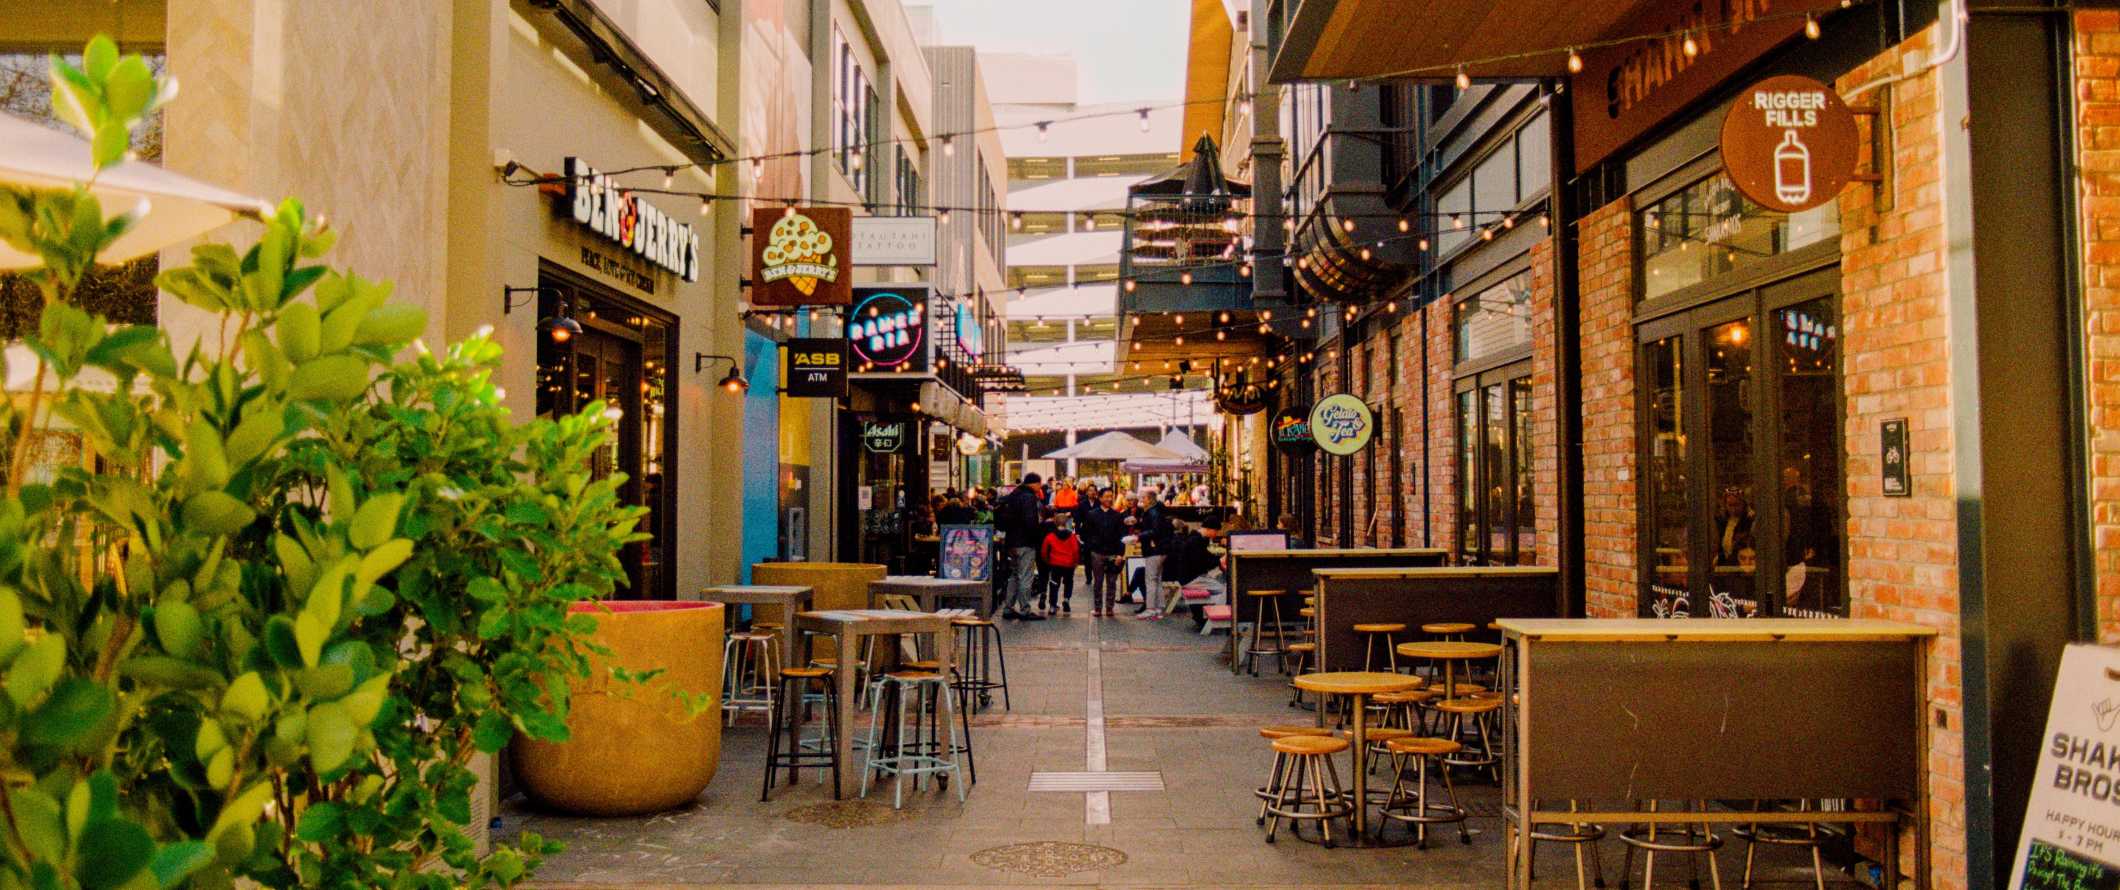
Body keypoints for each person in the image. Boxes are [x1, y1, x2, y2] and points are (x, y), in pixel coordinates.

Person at [995, 473, 1047, 620]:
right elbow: (1030, 521)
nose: (1039, 487)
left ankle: (1008, 607)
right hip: (1025, 542)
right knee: (1025, 576)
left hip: (1011, 541)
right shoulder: (1028, 497)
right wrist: (1037, 537)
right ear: (1034, 483)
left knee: (1014, 576)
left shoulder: (1014, 494)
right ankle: (1025, 609)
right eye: (1039, 484)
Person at [1080, 490, 1127, 617]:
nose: (1109, 499)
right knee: (1098, 582)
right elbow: (1085, 533)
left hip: (1113, 552)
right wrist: (1091, 547)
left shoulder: (1117, 516)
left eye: (1111, 496)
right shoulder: (1091, 514)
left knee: (1112, 582)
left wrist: (1120, 554)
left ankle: (1110, 608)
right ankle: (1098, 608)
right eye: (1106, 496)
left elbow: (1122, 536)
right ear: (1100, 498)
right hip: (1097, 552)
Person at [1131, 490, 1172, 618]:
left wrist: (1138, 536)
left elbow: (1154, 531)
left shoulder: (1153, 512)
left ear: (1149, 499)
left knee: (1150, 580)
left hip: (1154, 549)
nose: (1141, 501)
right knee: (1157, 580)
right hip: (1161, 549)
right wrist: (1137, 523)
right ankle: (1159, 608)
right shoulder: (1157, 511)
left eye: (1143, 498)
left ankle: (1150, 608)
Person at [1039, 514, 1081, 615]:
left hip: (1055, 563)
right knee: (1068, 582)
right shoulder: (1071, 536)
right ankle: (1066, 599)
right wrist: (1075, 562)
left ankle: (1053, 606)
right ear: (1066, 523)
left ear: (1055, 523)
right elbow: (1075, 550)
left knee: (1054, 583)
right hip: (1069, 564)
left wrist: (1047, 561)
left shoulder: (1050, 536)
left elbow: (1044, 551)